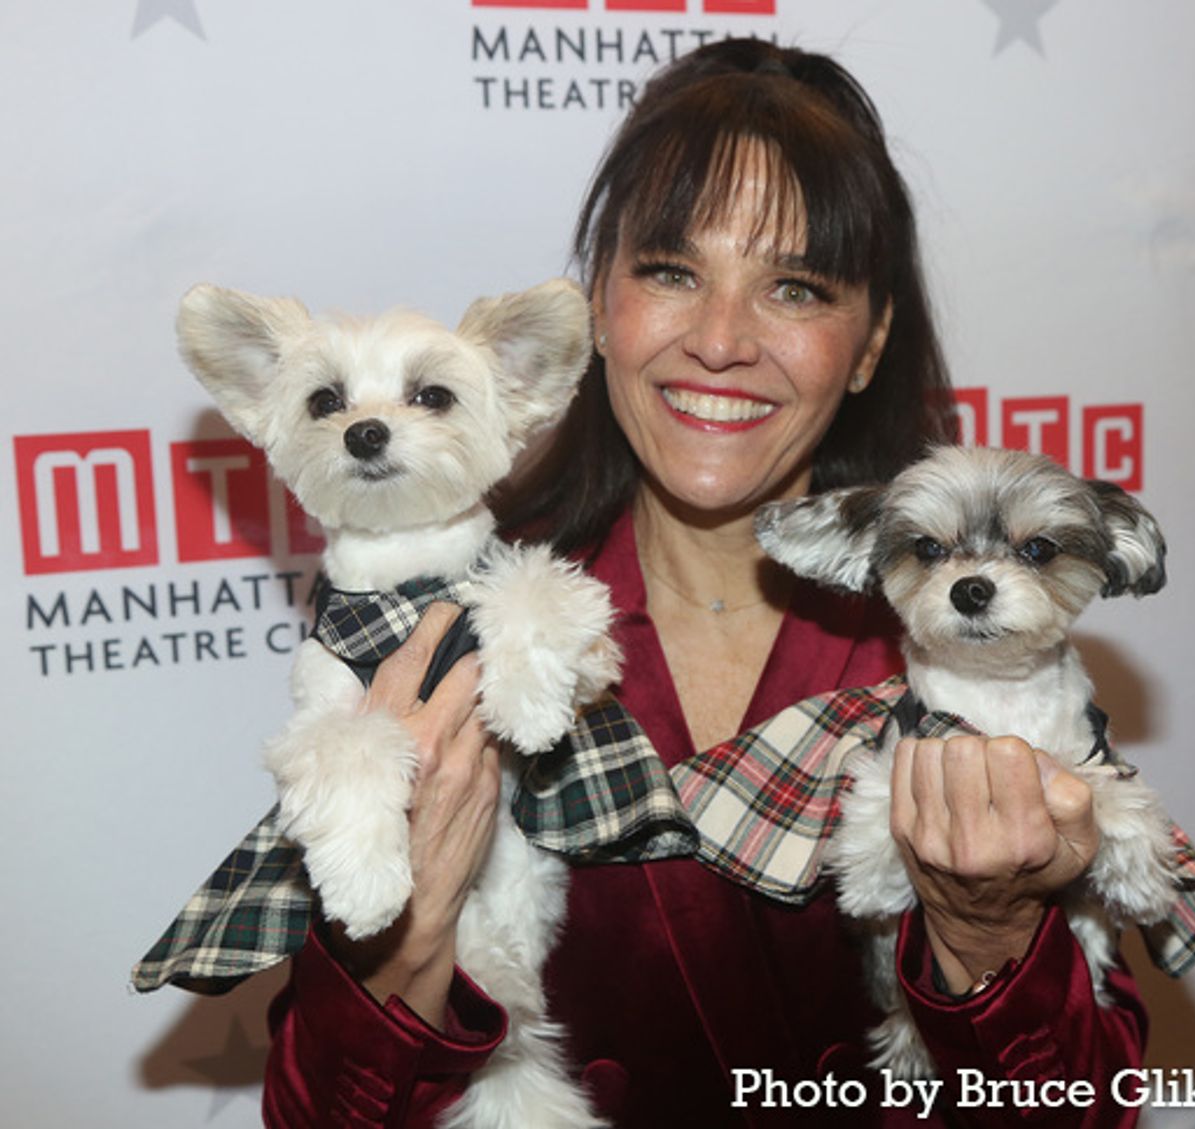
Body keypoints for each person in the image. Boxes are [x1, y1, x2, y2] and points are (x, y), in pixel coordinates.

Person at [260, 39, 1146, 1127]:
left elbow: (1087, 1107)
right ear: (598, 304)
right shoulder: (462, 612)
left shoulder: (963, 623)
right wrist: (412, 932)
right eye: (672, 272)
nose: (721, 341)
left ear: (866, 344)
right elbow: (314, 1111)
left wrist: (989, 935)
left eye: (793, 287)